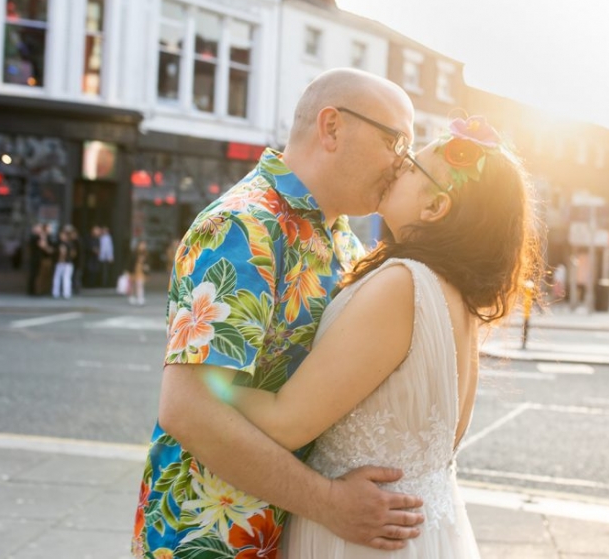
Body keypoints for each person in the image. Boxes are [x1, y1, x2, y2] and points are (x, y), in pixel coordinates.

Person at [133, 69, 424, 557]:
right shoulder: (242, 227)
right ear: (332, 127)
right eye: (396, 142)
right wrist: (330, 502)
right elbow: (188, 408)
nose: (403, 164)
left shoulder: (346, 240)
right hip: (211, 539)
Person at [224, 116, 539, 557]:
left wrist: (206, 374)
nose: (398, 166)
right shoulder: (456, 293)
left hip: (364, 537)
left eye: (413, 166)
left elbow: (284, 423)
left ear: (435, 208)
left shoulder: (403, 284)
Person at [51, 227, 76, 299]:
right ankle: (56, 293)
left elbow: (73, 253)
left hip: (67, 263)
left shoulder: (69, 244)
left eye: (63, 235)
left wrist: (67, 257)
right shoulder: (58, 243)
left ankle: (66, 293)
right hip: (59, 263)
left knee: (66, 278)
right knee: (57, 278)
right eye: (61, 235)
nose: (62, 236)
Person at [127, 240, 150, 306]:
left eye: (144, 245)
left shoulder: (146, 253)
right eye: (142, 245)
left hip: (141, 271)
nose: (143, 246)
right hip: (134, 271)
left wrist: (147, 268)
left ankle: (140, 298)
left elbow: (148, 262)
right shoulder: (134, 253)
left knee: (140, 284)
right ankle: (132, 296)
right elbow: (130, 262)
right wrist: (128, 271)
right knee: (133, 285)